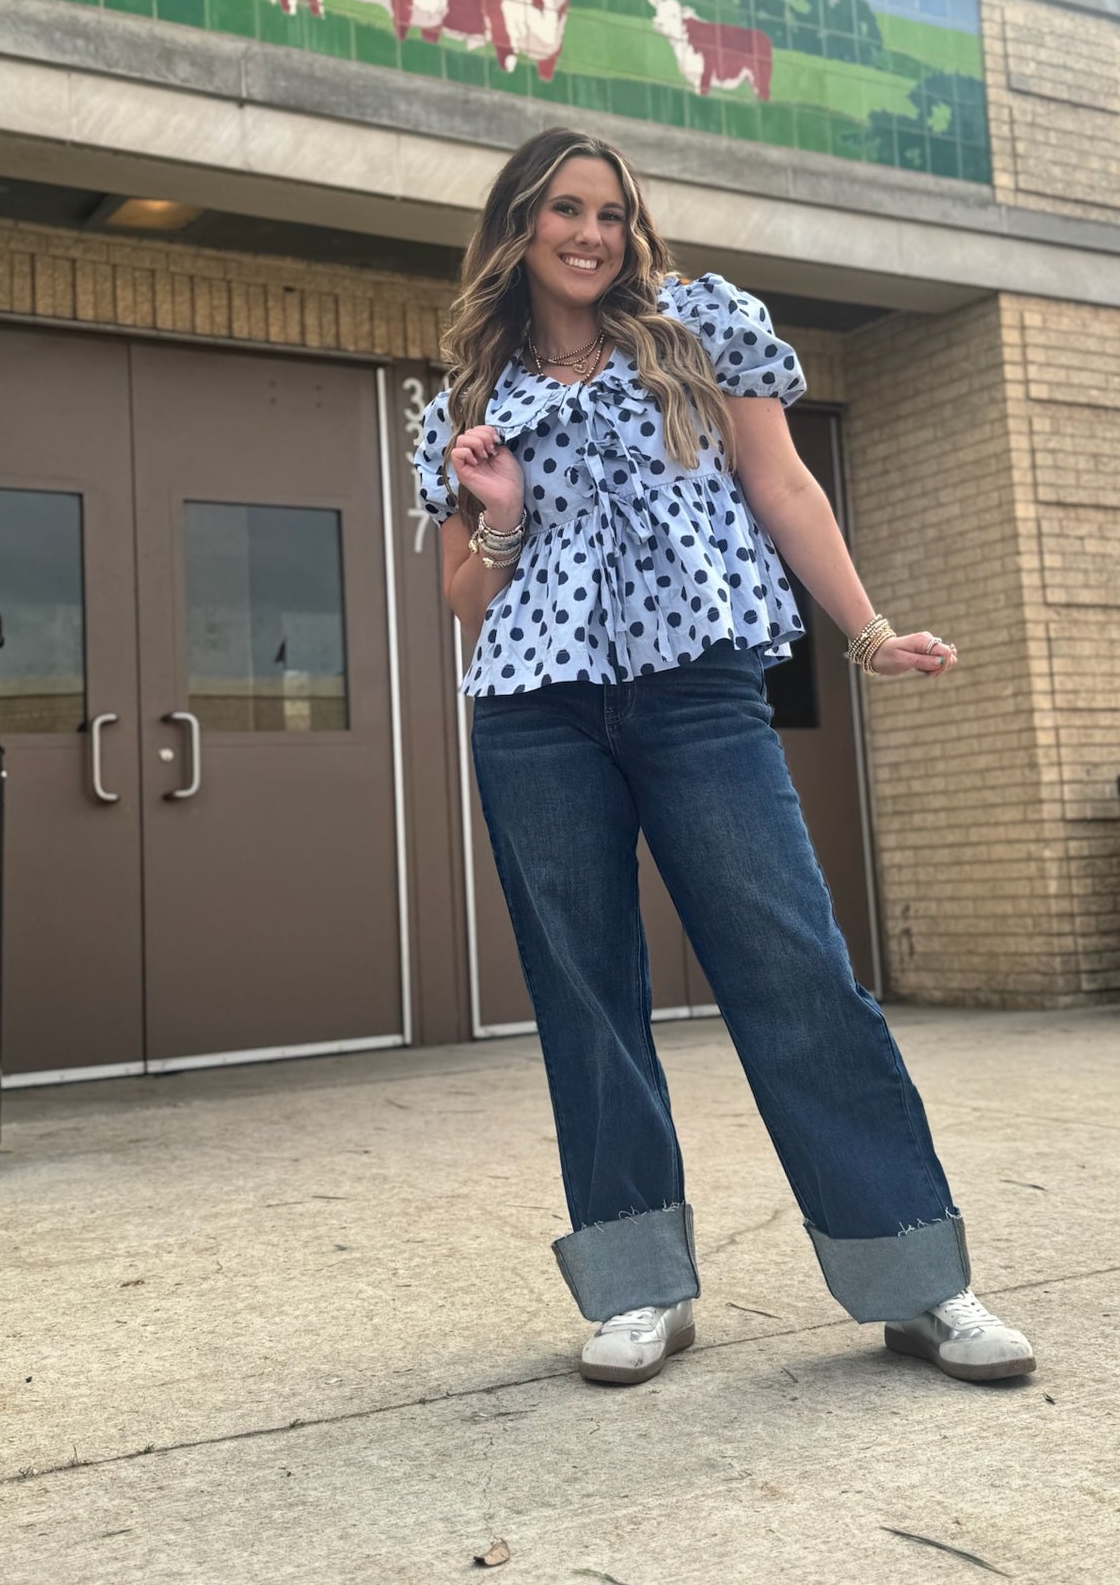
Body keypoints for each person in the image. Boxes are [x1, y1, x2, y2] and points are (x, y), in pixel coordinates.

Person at [411, 126, 1035, 1388]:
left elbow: (782, 487)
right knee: (583, 991)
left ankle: (917, 1279)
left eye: (610, 212)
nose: (590, 234)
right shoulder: (471, 401)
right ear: (519, 224)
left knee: (794, 967)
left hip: (695, 692)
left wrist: (863, 632)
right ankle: (638, 1286)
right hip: (535, 712)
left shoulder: (700, 329)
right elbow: (461, 597)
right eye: (564, 210)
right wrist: (500, 513)